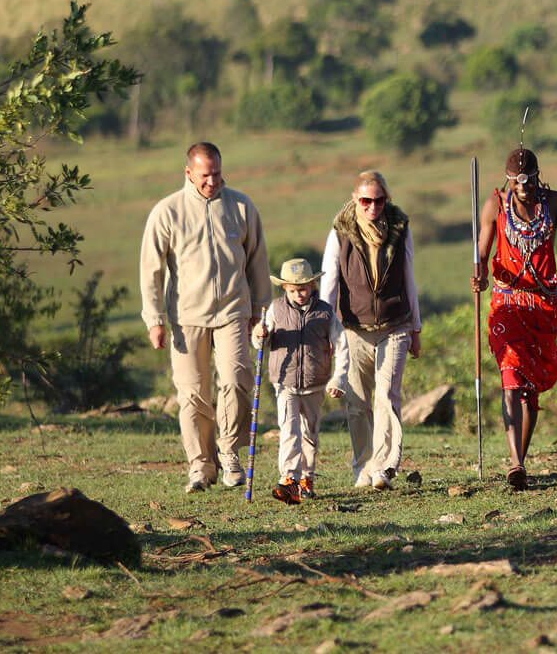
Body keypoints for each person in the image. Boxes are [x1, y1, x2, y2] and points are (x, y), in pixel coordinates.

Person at [140, 141, 271, 493]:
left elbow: (257, 261)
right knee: (193, 394)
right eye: (204, 176)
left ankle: (229, 451)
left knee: (237, 379)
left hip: (234, 311)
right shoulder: (167, 211)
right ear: (188, 173)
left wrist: (261, 310)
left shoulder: (241, 206)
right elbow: (151, 269)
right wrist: (154, 318)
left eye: (216, 174)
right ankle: (200, 466)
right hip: (186, 316)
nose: (212, 182)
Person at [471, 147, 557, 490]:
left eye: (528, 180)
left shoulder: (555, 203)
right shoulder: (495, 205)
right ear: (508, 179)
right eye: (516, 181)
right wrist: (479, 275)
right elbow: (481, 252)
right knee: (511, 376)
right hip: (508, 303)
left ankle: (520, 459)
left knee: (530, 389)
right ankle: (515, 463)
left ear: (538, 175)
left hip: (543, 306)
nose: (522, 187)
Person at [319, 169, 422, 489]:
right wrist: (325, 328)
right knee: (357, 403)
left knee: (386, 396)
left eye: (378, 201)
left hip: (395, 324)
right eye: (365, 201)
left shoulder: (400, 228)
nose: (372, 207)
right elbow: (329, 282)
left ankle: (384, 467)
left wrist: (416, 327)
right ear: (355, 199)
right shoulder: (340, 232)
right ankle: (362, 466)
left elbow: (409, 277)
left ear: (386, 200)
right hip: (353, 328)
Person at [252, 257, 336, 504]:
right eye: (293, 290)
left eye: (303, 289)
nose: (299, 294)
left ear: (312, 286)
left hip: (315, 382)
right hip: (285, 382)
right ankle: (289, 478)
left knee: (310, 434)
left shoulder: (325, 312)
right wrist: (259, 335)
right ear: (285, 289)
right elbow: (260, 341)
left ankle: (306, 478)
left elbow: (339, 343)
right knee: (289, 430)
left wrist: (338, 379)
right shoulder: (275, 309)